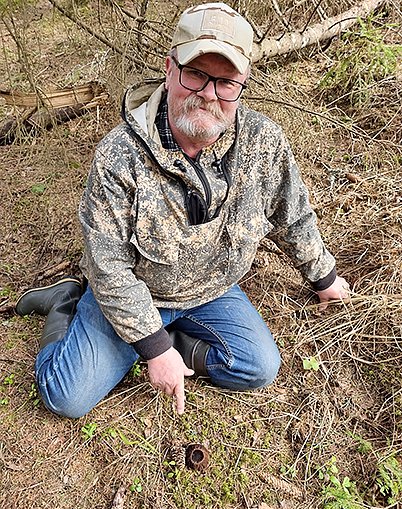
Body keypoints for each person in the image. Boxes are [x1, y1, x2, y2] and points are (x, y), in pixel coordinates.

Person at [16, 2, 350, 419]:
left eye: (226, 82)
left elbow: (292, 213)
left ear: (241, 85)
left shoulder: (263, 142)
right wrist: (153, 347)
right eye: (196, 74)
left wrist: (324, 277)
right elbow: (109, 268)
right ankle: (66, 301)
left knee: (259, 366)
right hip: (137, 290)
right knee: (64, 396)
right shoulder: (119, 157)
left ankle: (179, 344)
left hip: (212, 289)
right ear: (170, 67)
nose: (209, 94)